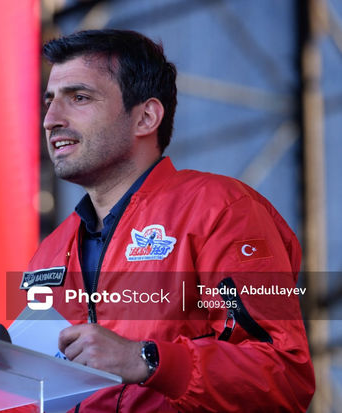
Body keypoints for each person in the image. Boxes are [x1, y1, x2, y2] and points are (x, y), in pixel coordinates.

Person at [19, 29, 315, 412]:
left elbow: (285, 376)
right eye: (50, 101)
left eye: (79, 98)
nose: (51, 120)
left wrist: (147, 360)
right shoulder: (48, 253)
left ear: (146, 117)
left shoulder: (220, 209)